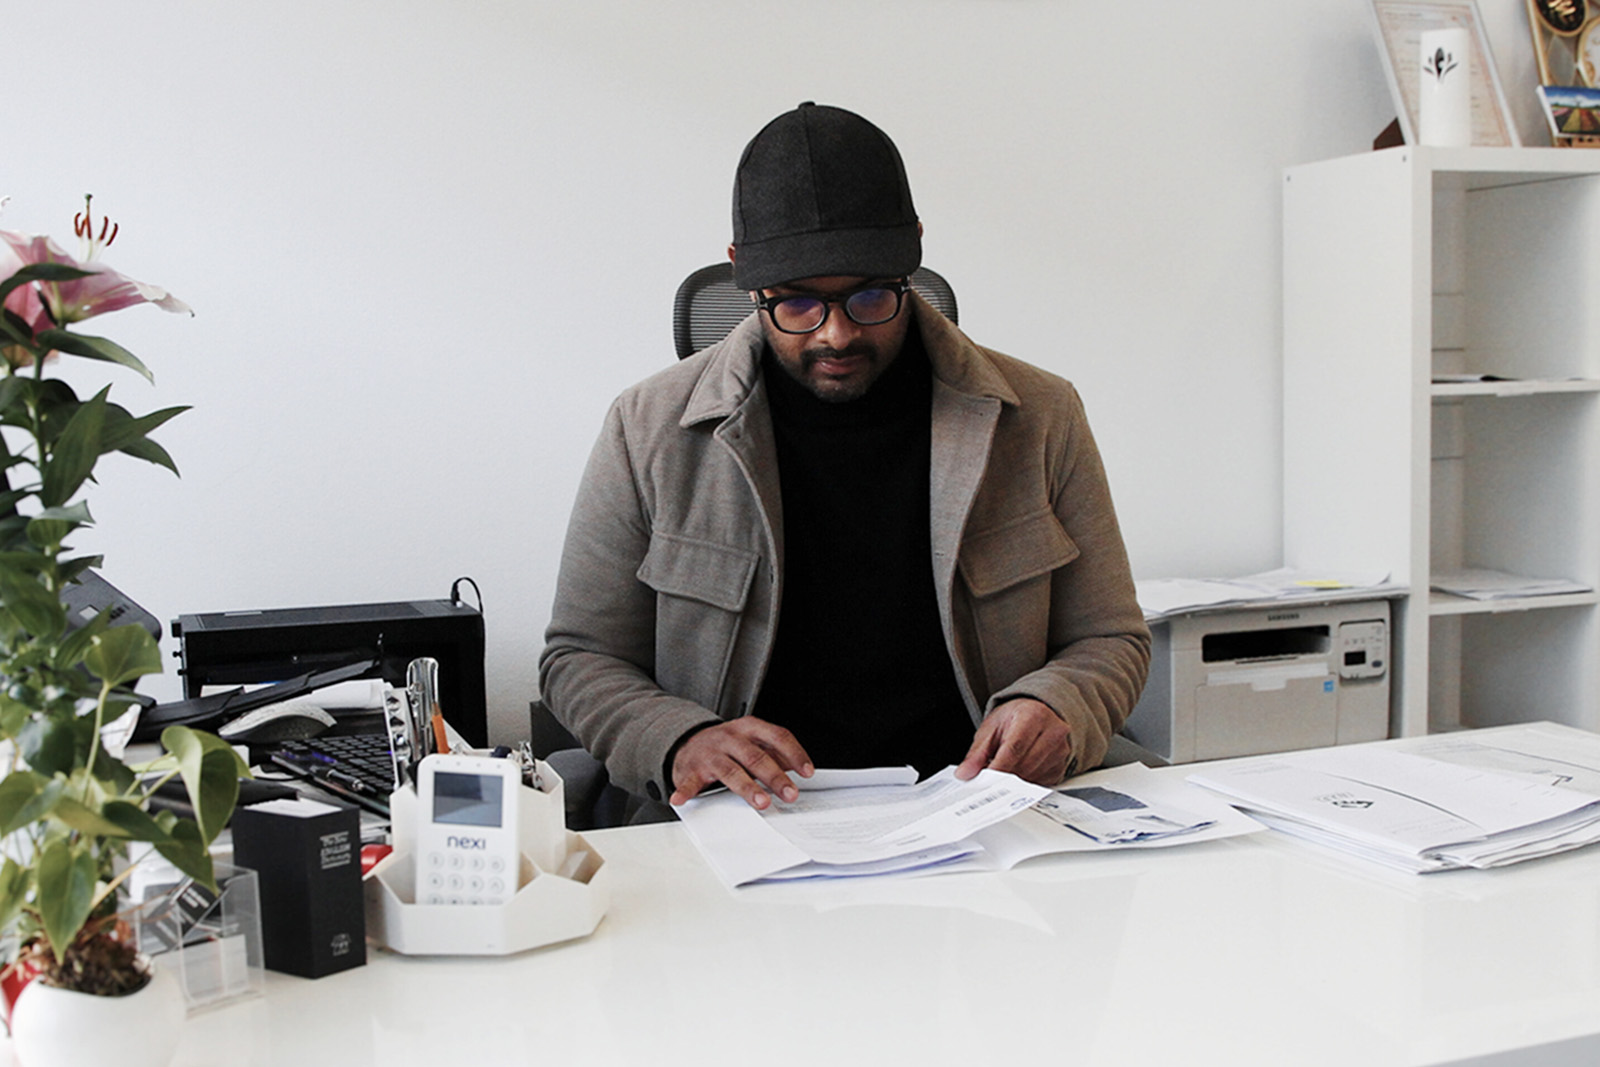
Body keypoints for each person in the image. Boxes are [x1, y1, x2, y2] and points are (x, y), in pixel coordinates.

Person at [540, 102, 1149, 819]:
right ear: (742, 275)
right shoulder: (646, 429)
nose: (835, 334)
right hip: (746, 822)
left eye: (869, 296)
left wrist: (1061, 706)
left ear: (912, 254)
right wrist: (679, 738)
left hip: (974, 812)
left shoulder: (1039, 415)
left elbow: (1111, 637)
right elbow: (578, 657)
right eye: (796, 304)